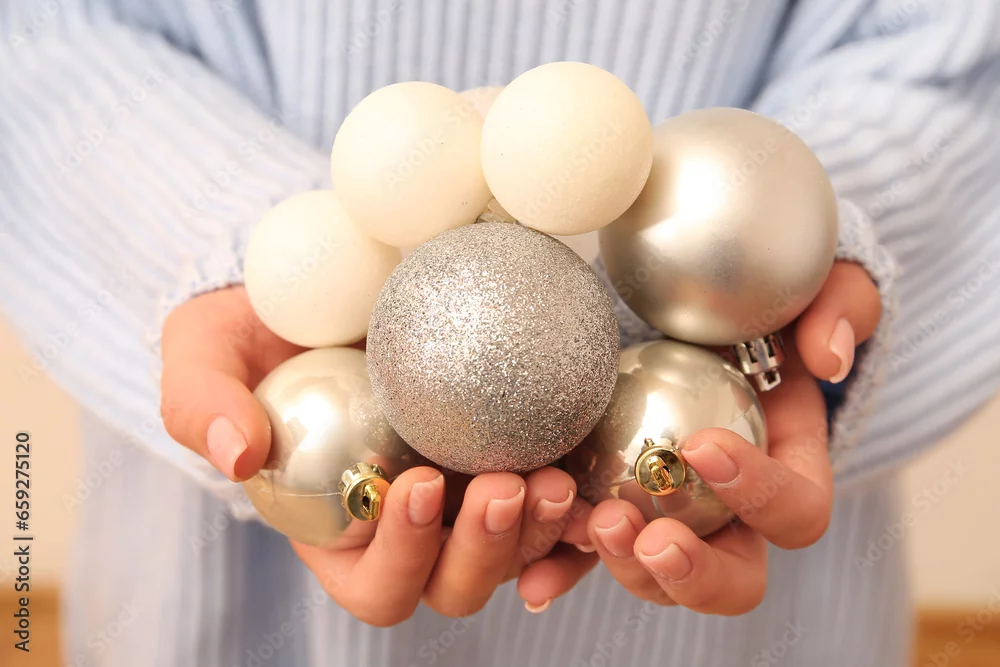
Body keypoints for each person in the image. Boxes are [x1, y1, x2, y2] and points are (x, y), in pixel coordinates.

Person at [2, 0, 998, 665]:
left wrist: (786, 244)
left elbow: (947, 44)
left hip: (699, 397)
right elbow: (51, 28)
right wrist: (234, 239)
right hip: (299, 441)